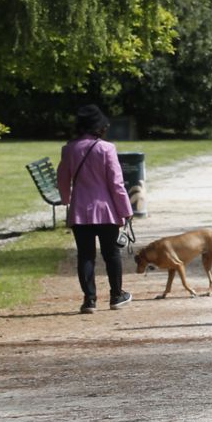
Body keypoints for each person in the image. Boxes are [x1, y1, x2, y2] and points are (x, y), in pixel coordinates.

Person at [57, 104, 134, 314]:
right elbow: (116, 184)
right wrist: (126, 210)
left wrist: (66, 200)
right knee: (111, 254)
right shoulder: (107, 148)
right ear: (100, 127)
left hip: (80, 210)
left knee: (85, 256)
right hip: (106, 209)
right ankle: (117, 295)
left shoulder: (68, 149)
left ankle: (89, 300)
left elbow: (62, 180)